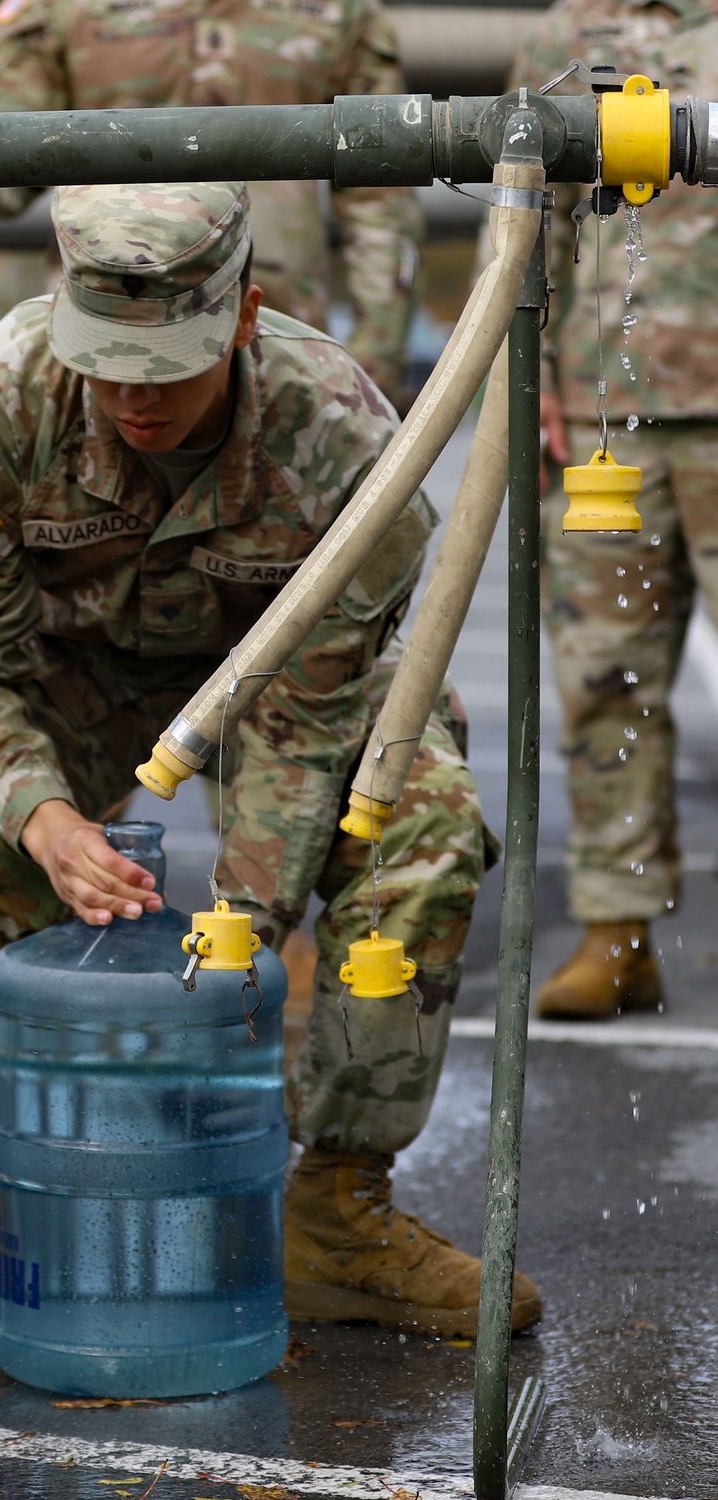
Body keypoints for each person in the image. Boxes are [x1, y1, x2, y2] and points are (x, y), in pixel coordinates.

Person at [0, 179, 541, 1340]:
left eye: (167, 367)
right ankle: (20, 1198)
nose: (133, 399)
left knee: (421, 823)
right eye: (107, 363)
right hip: (69, 681)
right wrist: (43, 817)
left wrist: (236, 936)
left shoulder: (342, 433)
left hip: (280, 685)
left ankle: (336, 1209)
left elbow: (307, 708)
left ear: (242, 318)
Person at [510, 0, 718, 1020]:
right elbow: (529, 213)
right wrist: (536, 362)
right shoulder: (565, 36)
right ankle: (616, 931)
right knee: (602, 675)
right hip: (608, 414)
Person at [0, 0, 423, 406]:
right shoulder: (64, 9)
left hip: (273, 338)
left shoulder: (341, 11)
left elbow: (382, 196)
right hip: (107, 334)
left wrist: (373, 360)